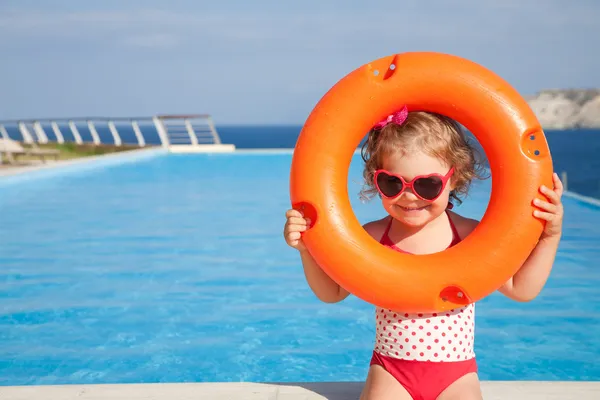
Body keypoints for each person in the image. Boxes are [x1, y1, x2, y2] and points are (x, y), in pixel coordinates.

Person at [283, 106, 564, 400]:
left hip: (455, 374)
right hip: (392, 370)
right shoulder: (374, 237)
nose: (409, 196)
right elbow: (333, 293)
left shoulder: (471, 236)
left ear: (454, 179)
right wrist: (306, 249)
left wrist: (549, 236)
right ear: (374, 179)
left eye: (427, 185)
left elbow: (520, 289)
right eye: (391, 183)